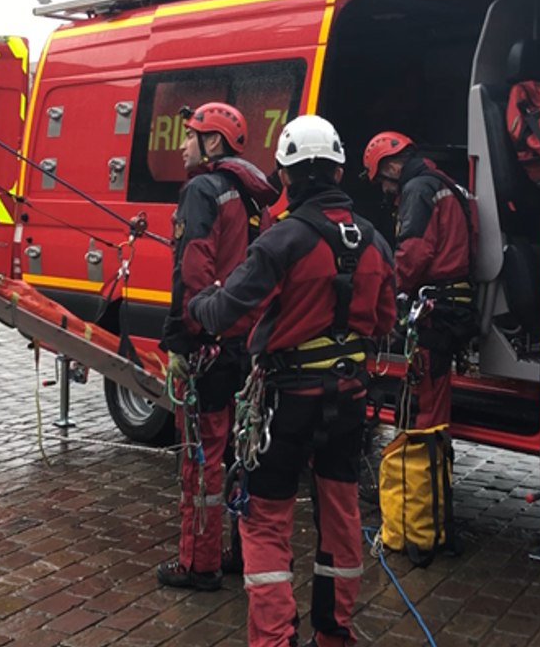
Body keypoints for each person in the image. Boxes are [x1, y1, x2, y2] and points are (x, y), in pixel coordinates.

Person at [189, 115, 396, 647]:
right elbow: (386, 321)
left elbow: (230, 313)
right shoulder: (374, 241)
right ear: (341, 170)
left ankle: (274, 638)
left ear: (284, 176)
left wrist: (200, 302)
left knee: (264, 521)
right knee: (342, 515)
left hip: (288, 402)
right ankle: (334, 632)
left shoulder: (283, 239)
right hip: (349, 401)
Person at [158, 102, 280, 591]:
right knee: (240, 455)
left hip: (209, 346)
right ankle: (237, 551)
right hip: (247, 350)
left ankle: (198, 563)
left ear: (213, 143)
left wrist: (180, 342)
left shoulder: (202, 191)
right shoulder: (256, 202)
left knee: (201, 459)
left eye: (192, 135)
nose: (183, 144)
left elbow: (193, 271)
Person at [362, 131, 477, 429]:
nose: (386, 190)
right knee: (433, 391)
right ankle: (431, 464)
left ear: (391, 167)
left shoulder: (417, 190)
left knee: (426, 402)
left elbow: (413, 252)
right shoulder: (443, 184)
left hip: (437, 310)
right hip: (452, 305)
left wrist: (386, 294)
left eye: (383, 182)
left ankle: (425, 466)